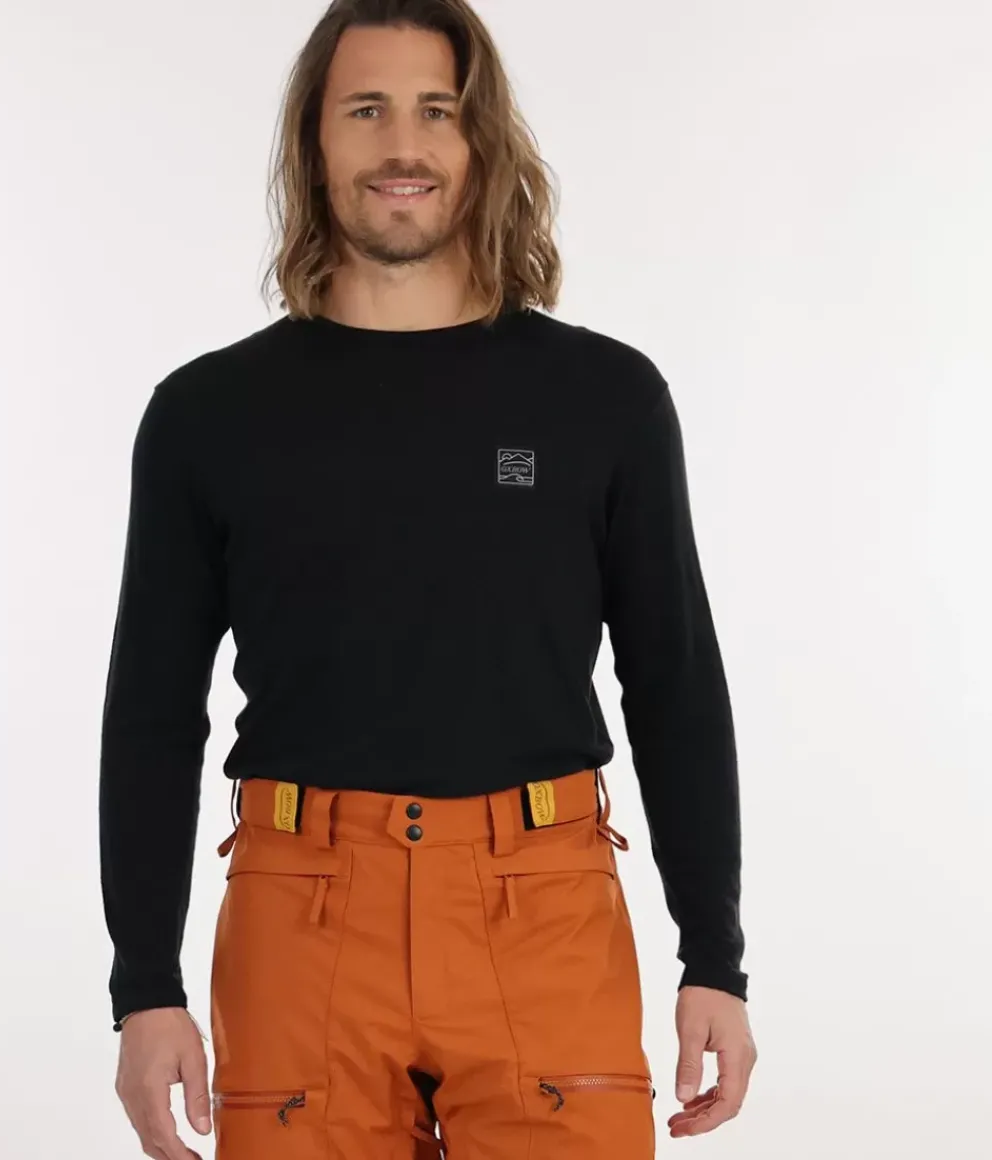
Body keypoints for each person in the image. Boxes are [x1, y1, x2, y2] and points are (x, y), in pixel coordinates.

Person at [98, 1, 757, 1156]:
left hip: (543, 909)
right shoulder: (208, 415)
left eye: (435, 111)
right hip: (299, 920)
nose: (400, 144)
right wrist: (144, 986)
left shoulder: (602, 400)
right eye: (364, 110)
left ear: (478, 138)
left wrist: (714, 954)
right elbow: (153, 708)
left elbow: (672, 681)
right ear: (314, 140)